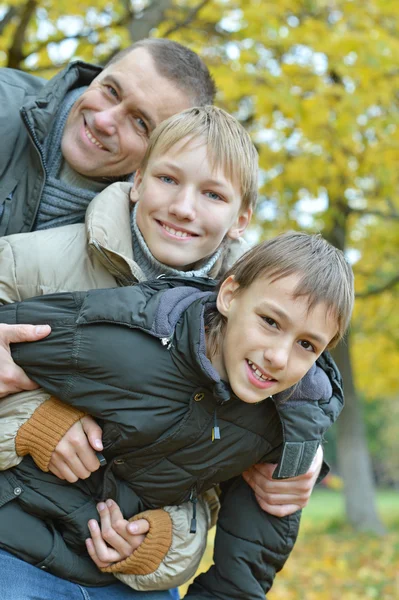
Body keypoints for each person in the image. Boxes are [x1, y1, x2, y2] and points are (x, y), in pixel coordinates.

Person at [0, 106, 331, 597]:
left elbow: (211, 479)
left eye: (212, 194)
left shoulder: (259, 329)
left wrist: (164, 542)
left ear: (241, 218)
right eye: (168, 180)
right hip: (14, 535)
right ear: (137, 180)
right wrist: (39, 421)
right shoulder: (34, 261)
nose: (183, 207)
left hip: (127, 570)